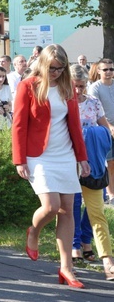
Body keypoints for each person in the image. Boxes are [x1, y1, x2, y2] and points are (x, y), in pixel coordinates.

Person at [12, 44, 89, 289]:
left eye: (61, 68)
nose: (56, 72)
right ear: (43, 64)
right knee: (51, 206)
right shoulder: (28, 86)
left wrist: (82, 157)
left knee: (68, 209)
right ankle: (33, 231)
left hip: (64, 153)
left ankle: (67, 268)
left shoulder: (67, 87)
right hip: (39, 155)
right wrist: (19, 159)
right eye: (52, 67)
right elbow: (19, 125)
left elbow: (75, 125)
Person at [70, 64, 114, 280]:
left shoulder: (94, 103)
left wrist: (94, 135)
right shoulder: (64, 103)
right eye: (75, 86)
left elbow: (106, 129)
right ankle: (74, 247)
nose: (79, 91)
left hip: (94, 165)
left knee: (97, 212)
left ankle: (107, 258)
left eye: (82, 86)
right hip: (69, 165)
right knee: (71, 209)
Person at [86, 58, 114, 205]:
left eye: (111, 69)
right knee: (109, 161)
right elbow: (96, 113)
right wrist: (109, 127)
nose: (109, 72)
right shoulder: (95, 88)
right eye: (105, 69)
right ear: (98, 71)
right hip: (104, 129)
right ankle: (111, 194)